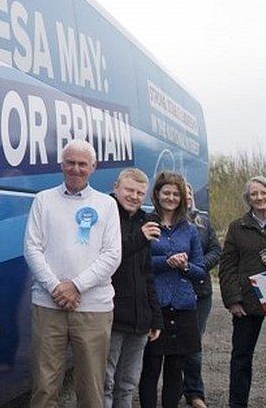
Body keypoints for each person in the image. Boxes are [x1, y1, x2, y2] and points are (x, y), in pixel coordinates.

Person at [24, 139, 122, 408]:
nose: (75, 169)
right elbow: (32, 249)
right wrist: (57, 288)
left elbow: (112, 255)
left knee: (91, 390)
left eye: (82, 164)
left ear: (93, 167)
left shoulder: (107, 205)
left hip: (93, 308)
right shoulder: (43, 200)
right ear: (61, 165)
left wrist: (76, 286)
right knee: (44, 388)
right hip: (47, 306)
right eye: (70, 163)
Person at [219, 176, 266, 408]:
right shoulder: (237, 227)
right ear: (248, 199)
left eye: (264, 193)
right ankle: (237, 403)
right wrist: (233, 300)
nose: (259, 198)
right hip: (247, 301)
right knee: (241, 357)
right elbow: (228, 266)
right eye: (254, 194)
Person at [137, 171, 204, 408]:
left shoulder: (190, 230)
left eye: (176, 194)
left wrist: (185, 265)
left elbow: (201, 271)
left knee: (176, 370)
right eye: (167, 192)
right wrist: (166, 262)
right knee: (151, 368)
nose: (171, 197)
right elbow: (139, 262)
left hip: (184, 305)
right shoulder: (146, 223)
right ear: (157, 194)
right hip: (155, 305)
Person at [103, 168, 163, 408]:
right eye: (129, 190)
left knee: (128, 383)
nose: (134, 196)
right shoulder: (105, 213)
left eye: (140, 193)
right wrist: (139, 237)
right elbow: (107, 259)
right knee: (104, 382)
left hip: (140, 319)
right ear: (116, 187)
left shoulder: (146, 220)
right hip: (112, 315)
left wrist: (155, 316)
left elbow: (147, 273)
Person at [182, 181, 222, 408]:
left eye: (189, 193)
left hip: (200, 292)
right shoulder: (160, 222)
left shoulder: (204, 223)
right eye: (181, 192)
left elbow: (216, 250)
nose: (186, 197)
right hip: (170, 291)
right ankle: (173, 387)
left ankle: (195, 392)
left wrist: (198, 265)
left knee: (193, 344)